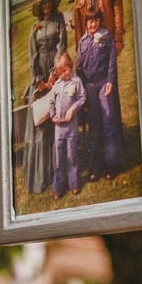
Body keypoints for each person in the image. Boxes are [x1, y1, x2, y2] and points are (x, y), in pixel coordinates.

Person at [22, 0, 67, 194]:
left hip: (55, 72)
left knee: (54, 120)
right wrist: (39, 80)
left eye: (50, 2)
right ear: (40, 7)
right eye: (44, 3)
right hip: (39, 76)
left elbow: (61, 47)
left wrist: (54, 74)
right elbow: (32, 55)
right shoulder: (34, 27)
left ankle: (57, 171)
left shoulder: (59, 21)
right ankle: (40, 176)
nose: (47, 6)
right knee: (40, 121)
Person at [76, 9, 124, 181]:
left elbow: (112, 59)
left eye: (96, 20)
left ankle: (111, 165)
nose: (93, 24)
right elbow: (79, 68)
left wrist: (110, 80)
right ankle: (96, 167)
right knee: (94, 126)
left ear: (100, 21)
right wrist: (81, 88)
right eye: (90, 21)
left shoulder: (106, 36)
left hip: (104, 84)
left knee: (108, 121)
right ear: (85, 22)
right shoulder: (82, 41)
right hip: (89, 87)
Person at [48, 52, 86, 199]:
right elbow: (51, 102)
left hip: (71, 127)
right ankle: (58, 187)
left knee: (71, 156)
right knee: (59, 158)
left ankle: (74, 184)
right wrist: (53, 116)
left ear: (70, 66)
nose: (63, 74)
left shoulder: (76, 82)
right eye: (60, 73)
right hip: (59, 128)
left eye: (65, 70)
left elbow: (82, 98)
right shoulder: (57, 85)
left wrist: (72, 109)